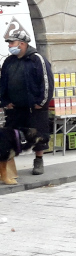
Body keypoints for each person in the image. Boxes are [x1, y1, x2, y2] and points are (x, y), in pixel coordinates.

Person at [0, 28, 51, 175]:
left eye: (12, 43)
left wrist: (42, 102)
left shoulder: (37, 59)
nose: (9, 46)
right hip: (15, 107)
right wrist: (4, 101)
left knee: (39, 134)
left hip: (35, 107)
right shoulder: (9, 61)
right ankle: (9, 169)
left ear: (22, 44)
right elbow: (3, 83)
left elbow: (46, 82)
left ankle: (38, 160)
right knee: (8, 137)